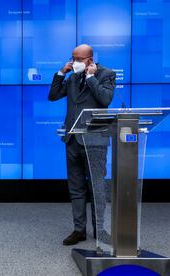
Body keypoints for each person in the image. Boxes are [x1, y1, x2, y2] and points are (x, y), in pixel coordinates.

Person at [48, 44, 116, 246]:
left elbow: (105, 99)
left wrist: (91, 78)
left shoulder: (107, 74)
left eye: (78, 59)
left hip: (95, 140)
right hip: (72, 140)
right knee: (76, 188)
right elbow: (53, 96)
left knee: (96, 187)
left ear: (89, 59)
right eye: (72, 58)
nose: (74, 61)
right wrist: (61, 72)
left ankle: (100, 229)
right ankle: (79, 230)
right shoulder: (72, 77)